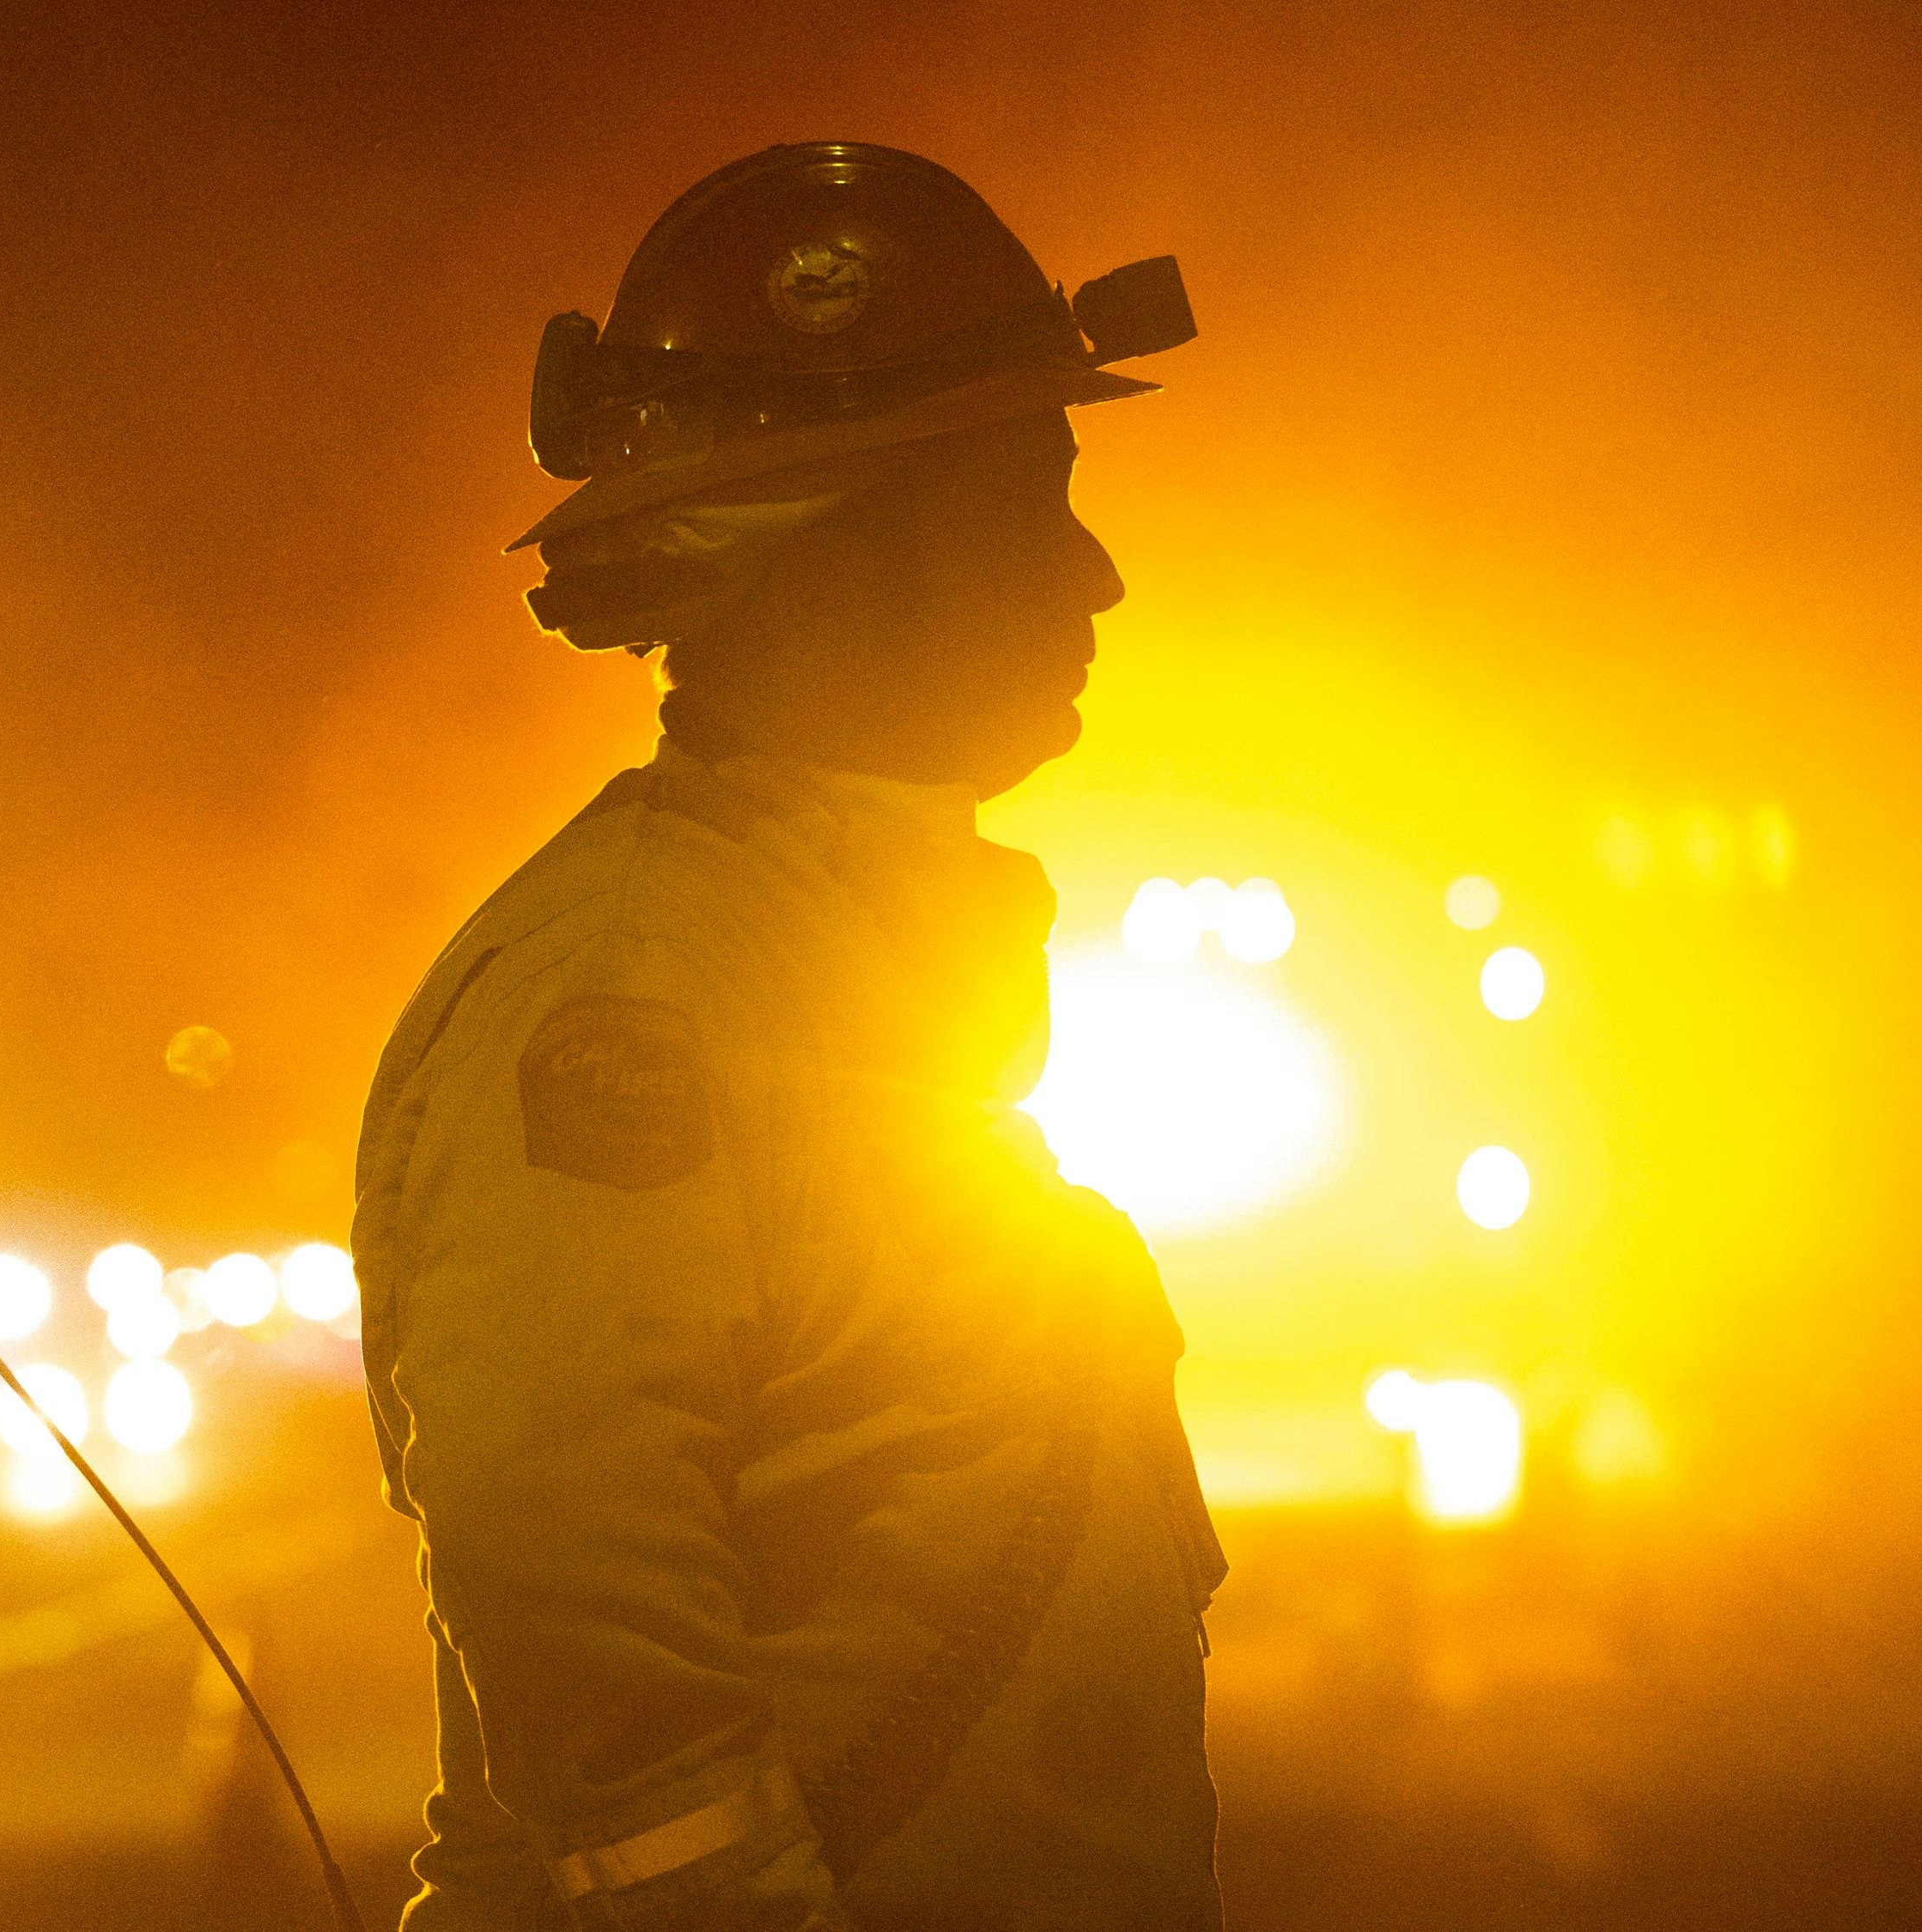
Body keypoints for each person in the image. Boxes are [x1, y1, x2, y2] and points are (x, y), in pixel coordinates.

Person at [351, 144, 1226, 1932]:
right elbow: (565, 1553)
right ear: (833, 555)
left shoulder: (833, 963)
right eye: (1027, 501)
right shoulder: (641, 991)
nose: (1095, 578)